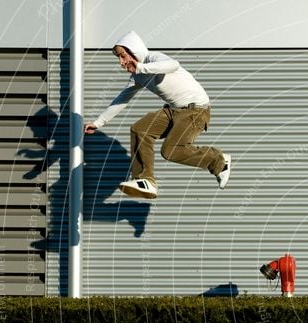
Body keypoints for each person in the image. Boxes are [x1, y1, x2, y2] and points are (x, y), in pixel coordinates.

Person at [84, 31, 230, 199]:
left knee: (170, 151)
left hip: (196, 110)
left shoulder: (153, 58)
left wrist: (141, 67)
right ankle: (146, 180)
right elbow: (123, 98)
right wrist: (98, 122)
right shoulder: (137, 77)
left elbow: (173, 65)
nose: (121, 63)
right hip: (174, 110)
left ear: (134, 51)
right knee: (140, 129)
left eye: (123, 56)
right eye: (119, 58)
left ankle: (218, 160)